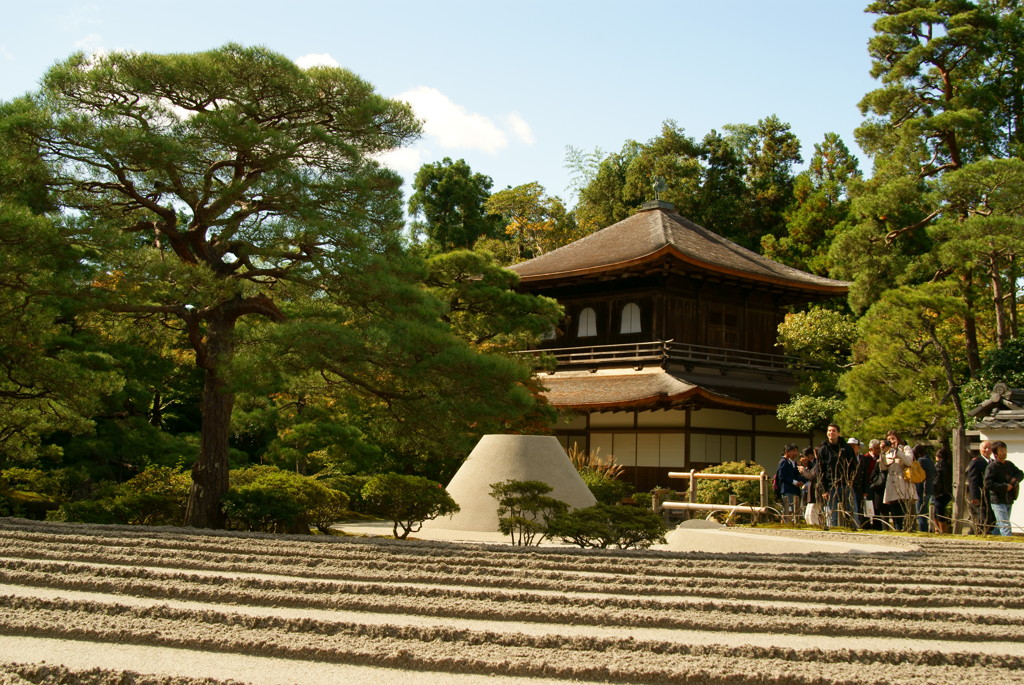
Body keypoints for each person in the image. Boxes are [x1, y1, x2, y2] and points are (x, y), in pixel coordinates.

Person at [817, 423, 858, 529]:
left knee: (852, 512)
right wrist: (824, 489)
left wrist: (851, 481)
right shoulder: (823, 449)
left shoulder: (847, 448)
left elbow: (853, 466)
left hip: (846, 484)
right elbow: (821, 470)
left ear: (838, 433)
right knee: (832, 514)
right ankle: (833, 533)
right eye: (829, 430)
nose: (831, 433)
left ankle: (856, 531)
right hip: (831, 486)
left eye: (834, 430)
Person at [984, 441, 1023, 537]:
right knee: (1005, 525)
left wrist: (1014, 480)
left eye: (1005, 450)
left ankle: (993, 539)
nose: (1004, 452)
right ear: (995, 453)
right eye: (1001, 451)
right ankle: (1009, 544)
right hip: (997, 500)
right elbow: (988, 484)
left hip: (1009, 498)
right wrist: (1004, 486)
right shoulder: (992, 467)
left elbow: (1020, 473)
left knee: (999, 525)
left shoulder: (1009, 464)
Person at [880, 430, 917, 531]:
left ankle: (906, 528)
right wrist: (882, 453)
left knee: (903, 507)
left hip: (903, 481)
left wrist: (898, 451)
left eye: (893, 439)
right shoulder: (887, 451)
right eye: (888, 439)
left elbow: (909, 462)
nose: (891, 441)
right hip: (891, 481)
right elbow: (883, 468)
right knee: (894, 508)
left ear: (898, 439)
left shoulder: (905, 448)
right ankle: (897, 528)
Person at [776, 443, 806, 524]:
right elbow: (782, 476)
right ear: (787, 451)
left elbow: (797, 475)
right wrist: (794, 482)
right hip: (787, 489)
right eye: (793, 451)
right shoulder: (783, 462)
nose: (795, 453)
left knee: (795, 510)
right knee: (787, 510)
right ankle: (785, 524)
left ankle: (793, 524)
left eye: (796, 451)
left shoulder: (795, 463)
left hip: (795, 490)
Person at [967, 445, 991, 535]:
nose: (987, 450)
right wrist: (974, 496)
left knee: (988, 518)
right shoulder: (976, 462)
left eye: (989, 448)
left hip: (988, 495)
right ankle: (974, 534)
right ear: (980, 449)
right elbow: (973, 480)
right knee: (980, 517)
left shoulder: (992, 462)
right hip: (979, 494)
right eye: (985, 448)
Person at [913, 444, 936, 532]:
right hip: (930, 488)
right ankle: (925, 529)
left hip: (921, 489)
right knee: (925, 511)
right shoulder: (930, 460)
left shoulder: (920, 461)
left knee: (920, 513)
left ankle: (923, 530)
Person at [933, 447, 953, 535]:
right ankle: (939, 529)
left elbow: (937, 479)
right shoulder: (949, 465)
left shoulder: (939, 464)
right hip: (947, 491)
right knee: (937, 510)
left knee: (938, 510)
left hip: (940, 492)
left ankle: (941, 530)